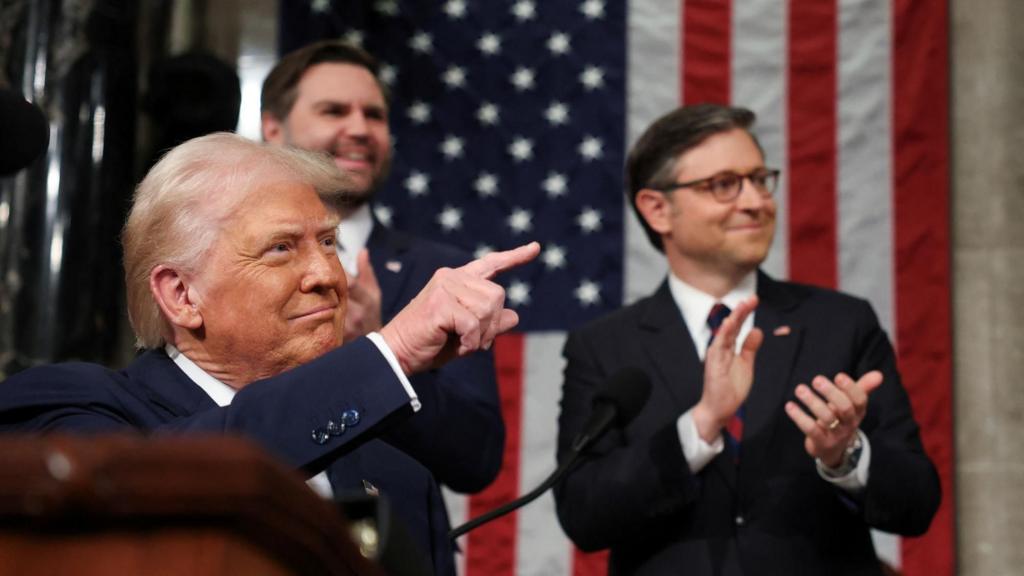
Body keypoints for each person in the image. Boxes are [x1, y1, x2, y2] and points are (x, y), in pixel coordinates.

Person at [0, 133, 539, 576]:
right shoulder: (65, 412)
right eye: (281, 248)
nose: (328, 275)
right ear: (182, 296)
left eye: (329, 243)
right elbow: (167, 480)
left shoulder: (399, 477)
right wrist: (390, 352)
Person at [554, 104, 940, 575]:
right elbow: (584, 514)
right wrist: (700, 425)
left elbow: (918, 503)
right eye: (724, 185)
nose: (756, 201)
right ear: (657, 210)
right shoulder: (604, 347)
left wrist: (846, 455)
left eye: (760, 179)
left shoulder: (842, 323)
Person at [260, 40, 503, 494]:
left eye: (374, 115)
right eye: (334, 111)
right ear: (273, 129)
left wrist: (382, 355)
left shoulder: (443, 272)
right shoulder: (228, 261)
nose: (360, 129)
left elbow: (478, 459)